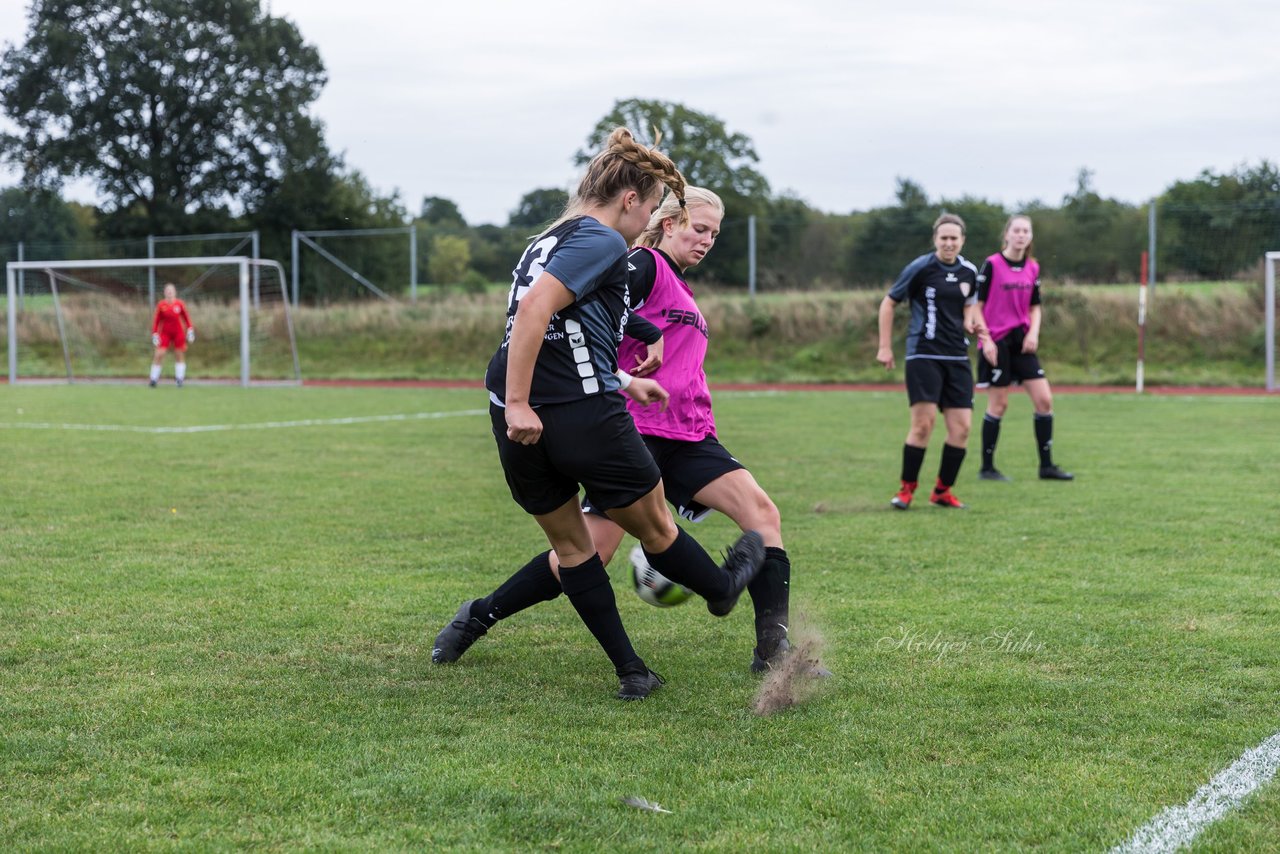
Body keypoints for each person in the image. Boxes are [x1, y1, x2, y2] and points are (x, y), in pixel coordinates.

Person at [434, 187, 825, 677]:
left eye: (715, 234)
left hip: (689, 433)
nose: (706, 240)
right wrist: (614, 381)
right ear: (667, 224)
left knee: (762, 514)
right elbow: (581, 317)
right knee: (587, 554)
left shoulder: (680, 285)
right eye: (697, 229)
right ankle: (479, 615)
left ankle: (774, 653)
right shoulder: (641, 265)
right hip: (631, 431)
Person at [877, 213, 995, 510]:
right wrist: (885, 347)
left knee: (962, 429)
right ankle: (906, 490)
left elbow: (969, 311)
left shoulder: (969, 271)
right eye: (944, 238)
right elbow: (889, 303)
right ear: (935, 240)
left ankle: (943, 491)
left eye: (954, 238)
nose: (949, 243)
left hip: (956, 357)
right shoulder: (920, 268)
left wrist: (976, 330)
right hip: (924, 355)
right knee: (923, 425)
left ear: (962, 240)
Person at [973, 215, 1073, 481]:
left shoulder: (1032, 267)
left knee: (1044, 400)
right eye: (1016, 230)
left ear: (1030, 237)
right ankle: (987, 468)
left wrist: (1034, 332)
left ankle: (1047, 466)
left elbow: (1035, 306)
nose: (1020, 235)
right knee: (999, 405)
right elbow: (976, 308)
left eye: (1025, 231)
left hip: (1022, 341)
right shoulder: (992, 265)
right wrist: (987, 340)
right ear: (1006, 234)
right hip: (997, 342)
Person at [149, 283, 195, 387]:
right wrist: (155, 334)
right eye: (167, 291)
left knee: (179, 355)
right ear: (165, 292)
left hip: (178, 332)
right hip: (165, 333)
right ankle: (153, 379)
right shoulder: (161, 305)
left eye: (171, 291)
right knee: (159, 354)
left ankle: (179, 379)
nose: (169, 293)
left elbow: (186, 318)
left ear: (175, 292)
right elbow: (157, 321)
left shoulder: (179, 304)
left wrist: (190, 330)